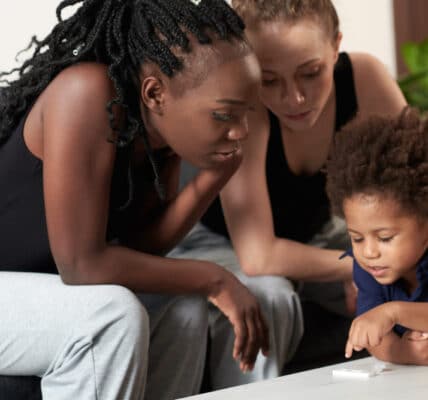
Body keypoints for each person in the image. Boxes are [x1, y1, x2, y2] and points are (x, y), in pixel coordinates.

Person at [0, 1, 269, 399]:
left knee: (184, 310)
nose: (241, 131)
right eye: (224, 115)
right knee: (111, 316)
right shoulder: (87, 93)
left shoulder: (162, 135)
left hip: (40, 287)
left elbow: (143, 250)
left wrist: (210, 180)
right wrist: (214, 279)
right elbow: (82, 265)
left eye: (246, 114)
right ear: (155, 92)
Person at [169, 0, 407, 387]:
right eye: (268, 80)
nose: (294, 98)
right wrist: (363, 264)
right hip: (218, 244)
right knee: (269, 298)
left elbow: (417, 196)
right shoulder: (243, 113)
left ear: (335, 47)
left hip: (315, 235)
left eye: (311, 73)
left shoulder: (365, 77)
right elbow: (259, 255)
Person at [325, 107, 428, 365]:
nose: (369, 252)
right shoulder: (368, 270)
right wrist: (406, 354)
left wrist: (393, 312)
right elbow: (374, 334)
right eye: (357, 238)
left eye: (384, 238)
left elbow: (383, 317)